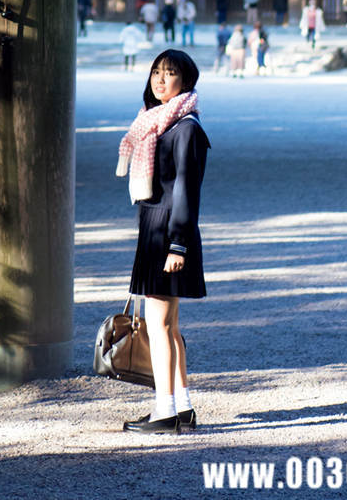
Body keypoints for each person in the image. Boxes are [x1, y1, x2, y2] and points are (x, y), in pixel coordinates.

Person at [116, 49, 210, 436]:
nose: (160, 79)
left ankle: (164, 410)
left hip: (170, 235)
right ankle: (181, 406)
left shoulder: (185, 127)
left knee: (159, 325)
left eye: (170, 73)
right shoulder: (157, 124)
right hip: (158, 231)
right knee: (168, 326)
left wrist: (178, 246)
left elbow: (187, 191)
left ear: (185, 81)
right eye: (156, 71)